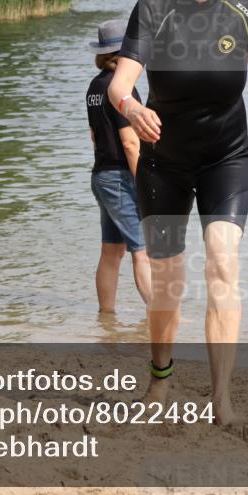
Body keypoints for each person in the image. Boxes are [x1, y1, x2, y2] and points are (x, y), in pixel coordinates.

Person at [107, 0, 248, 425]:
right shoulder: (154, 7)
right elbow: (120, 85)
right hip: (163, 163)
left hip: (227, 158)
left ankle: (221, 398)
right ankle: (159, 380)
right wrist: (132, 109)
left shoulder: (246, 6)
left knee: (223, 263)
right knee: (168, 283)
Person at [86, 20, 152, 312]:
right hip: (121, 178)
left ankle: (106, 317)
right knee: (142, 250)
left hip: (102, 175)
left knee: (111, 251)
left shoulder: (95, 87)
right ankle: (161, 315)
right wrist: (144, 184)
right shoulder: (121, 90)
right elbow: (130, 144)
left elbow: (94, 136)